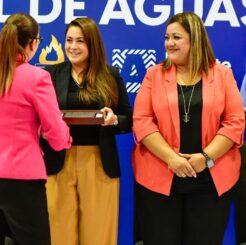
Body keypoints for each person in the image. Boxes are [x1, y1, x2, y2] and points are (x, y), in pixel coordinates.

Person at [132, 12, 245, 245]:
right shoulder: (154, 75)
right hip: (160, 178)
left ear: (195, 39)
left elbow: (235, 121)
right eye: (166, 37)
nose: (169, 43)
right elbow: (142, 120)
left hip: (210, 180)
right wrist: (172, 159)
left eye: (176, 37)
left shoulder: (222, 74)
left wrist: (205, 158)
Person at [0, 13, 71, 245]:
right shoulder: (37, 77)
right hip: (20, 180)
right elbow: (56, 134)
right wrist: (65, 139)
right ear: (32, 43)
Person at [41, 17, 132, 245]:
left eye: (80, 41)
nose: (73, 46)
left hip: (99, 161)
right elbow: (36, 117)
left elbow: (129, 119)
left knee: (99, 233)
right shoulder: (50, 75)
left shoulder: (110, 75)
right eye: (69, 40)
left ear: (92, 44)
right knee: (58, 232)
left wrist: (113, 120)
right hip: (58, 161)